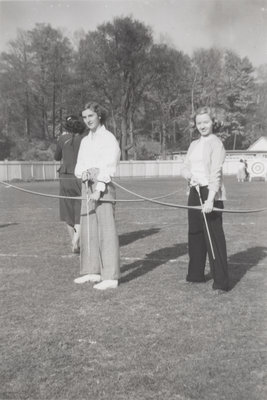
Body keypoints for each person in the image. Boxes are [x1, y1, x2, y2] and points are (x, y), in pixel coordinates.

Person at [181, 106, 229, 292]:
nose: (202, 126)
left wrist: (210, 200)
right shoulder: (194, 144)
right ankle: (195, 275)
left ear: (213, 122)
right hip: (194, 191)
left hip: (211, 193)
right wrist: (188, 176)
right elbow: (185, 166)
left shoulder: (217, 144)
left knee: (214, 237)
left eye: (206, 122)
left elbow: (215, 173)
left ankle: (221, 282)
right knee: (195, 233)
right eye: (199, 122)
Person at [74, 101, 121, 290]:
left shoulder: (108, 138)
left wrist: (98, 188)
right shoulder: (85, 140)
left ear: (99, 116)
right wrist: (83, 174)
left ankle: (110, 276)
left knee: (106, 231)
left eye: (91, 116)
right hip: (87, 186)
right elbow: (80, 164)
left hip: (103, 186)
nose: (88, 120)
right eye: (85, 117)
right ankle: (91, 271)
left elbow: (110, 165)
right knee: (88, 229)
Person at [54, 115, 86, 253]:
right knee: (80, 210)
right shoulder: (85, 139)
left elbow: (56, 157)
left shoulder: (62, 139)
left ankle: (73, 241)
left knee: (68, 211)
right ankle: (76, 242)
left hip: (65, 177)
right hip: (80, 177)